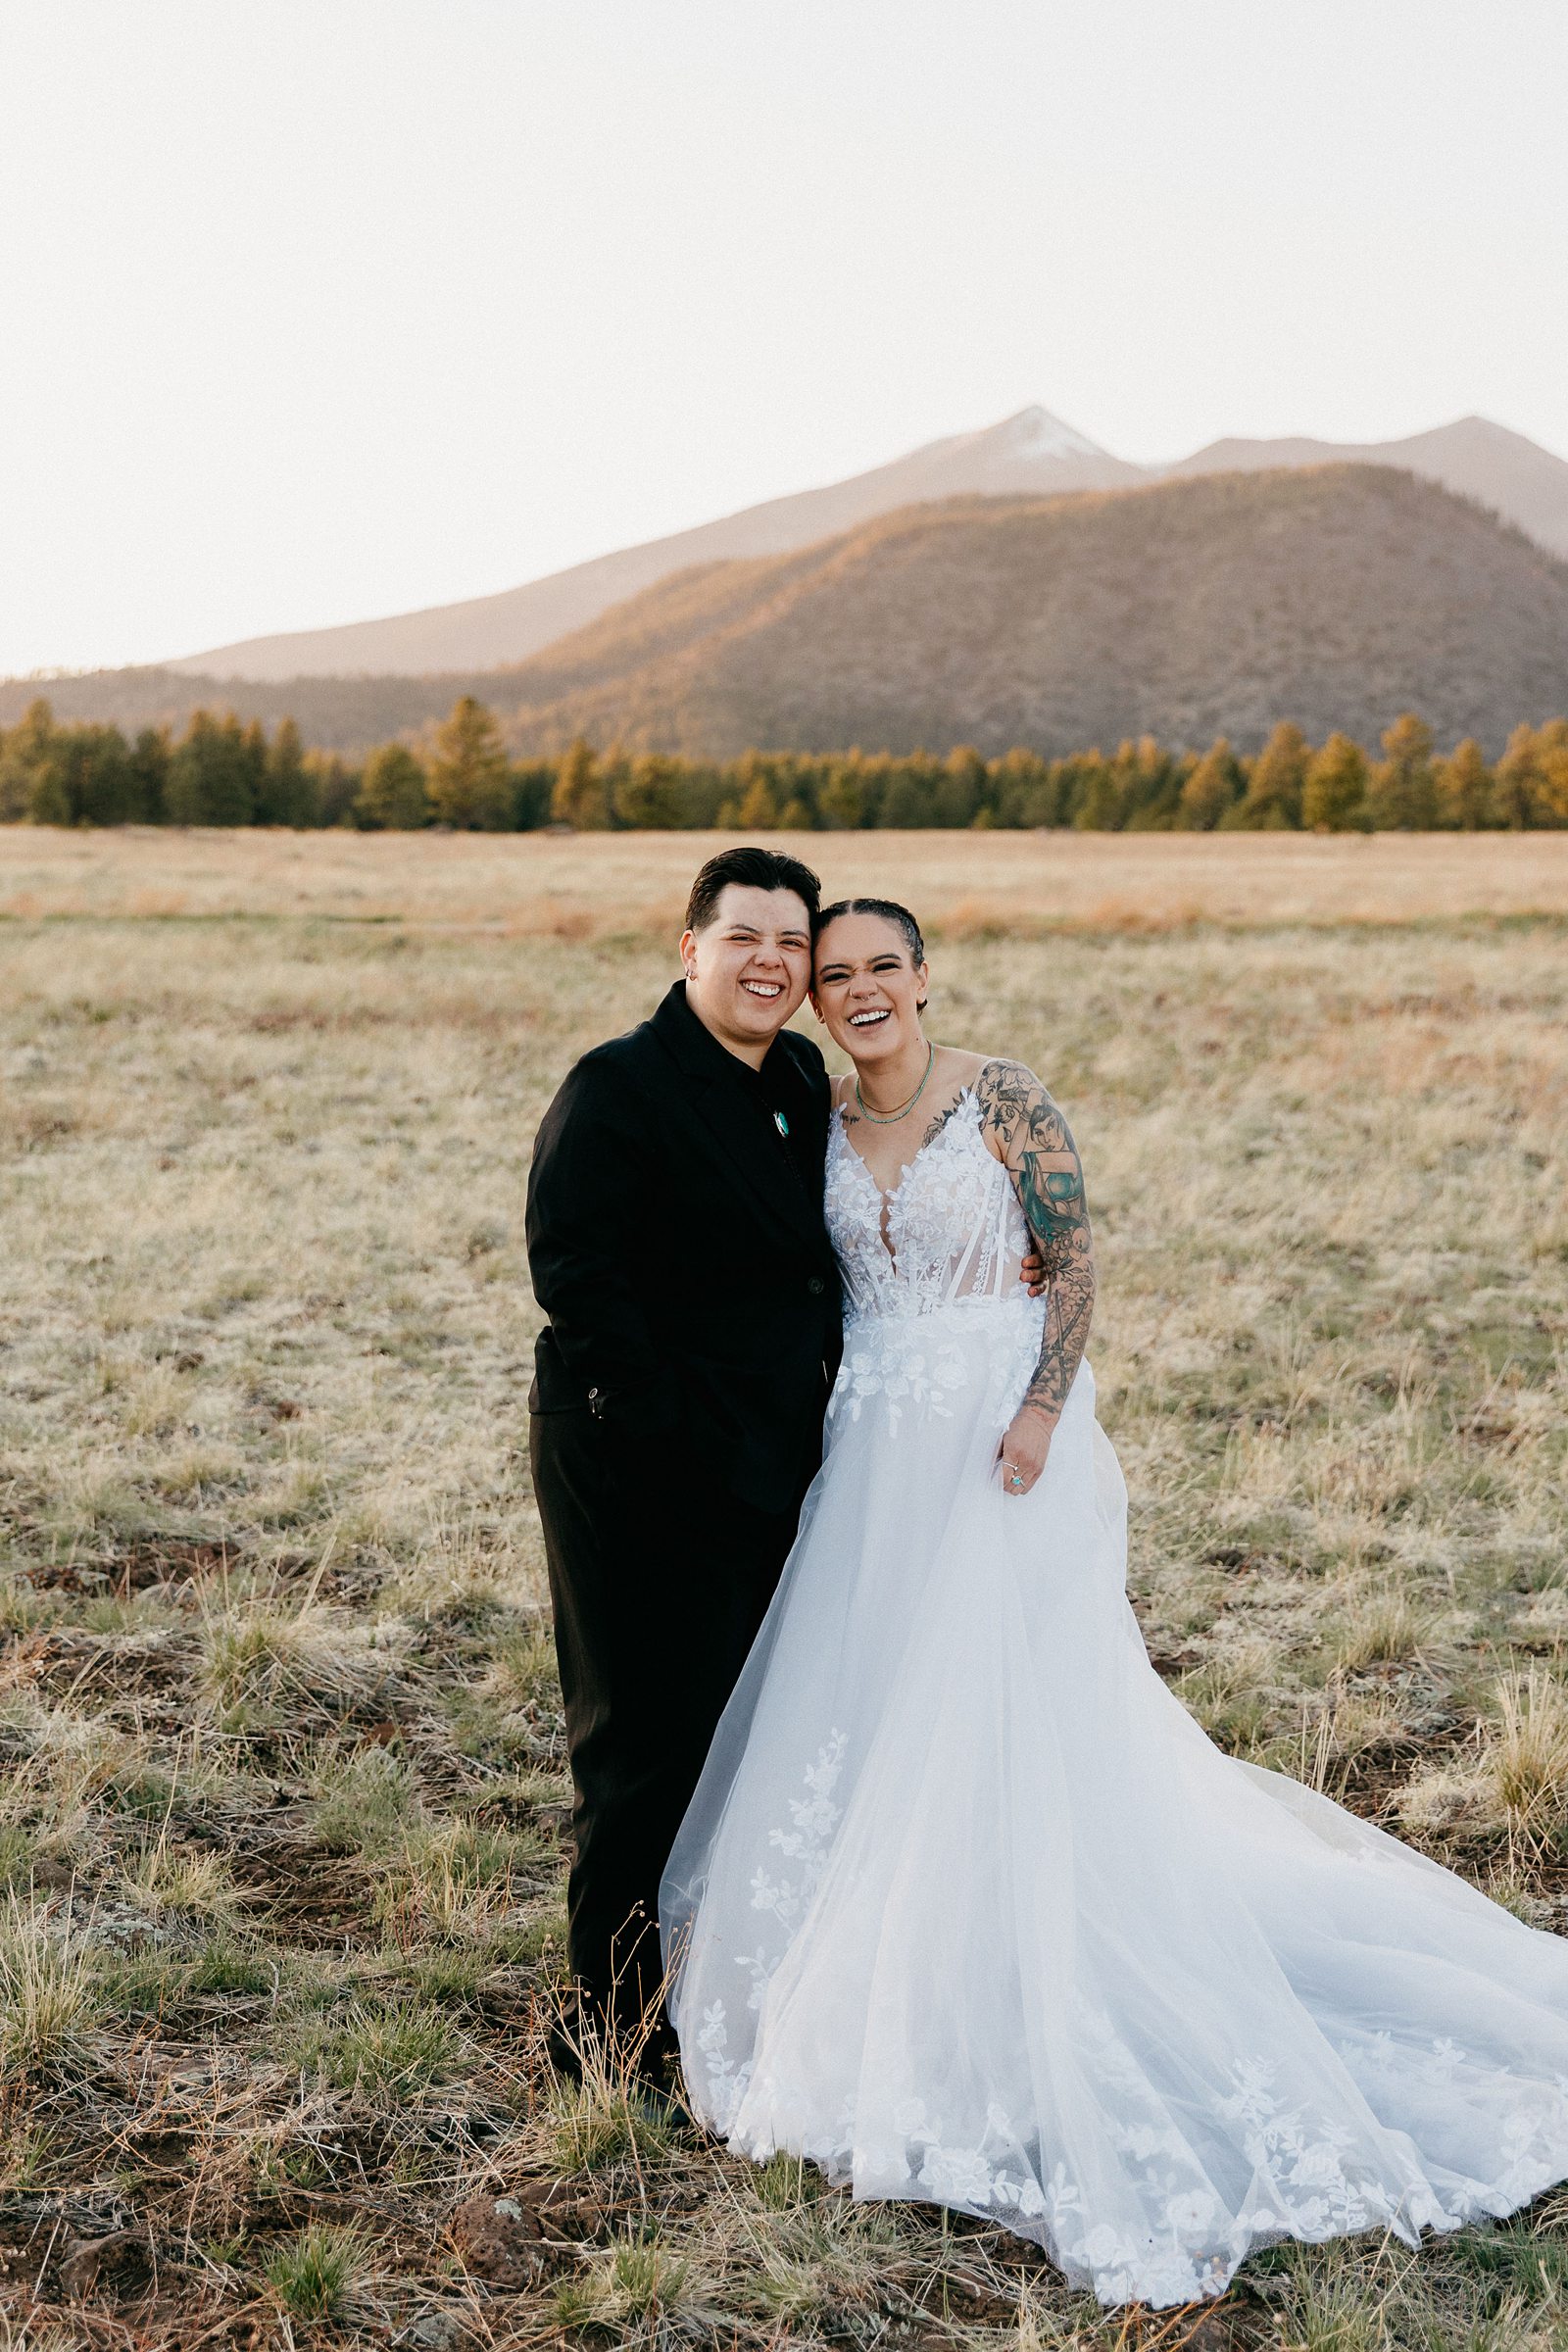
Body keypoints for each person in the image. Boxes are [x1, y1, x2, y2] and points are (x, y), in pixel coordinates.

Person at [661, 895, 1568, 2308]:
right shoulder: (819, 1118)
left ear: (922, 974)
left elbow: (1073, 1260)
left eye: (881, 966)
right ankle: (895, 1980)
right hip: (875, 1449)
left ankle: (1044, 1952)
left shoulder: (1003, 1097)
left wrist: (1036, 1407)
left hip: (998, 1440)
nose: (858, 990)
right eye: (835, 976)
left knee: (1009, 1703)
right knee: (880, 1699)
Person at [525, 846, 842, 2073]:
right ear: (689, 949)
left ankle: (711, 1991)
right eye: (744, 938)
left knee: (739, 1730)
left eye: (791, 943)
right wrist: (671, 1435)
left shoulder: (802, 1075)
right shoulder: (618, 1087)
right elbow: (577, 1280)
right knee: (639, 1745)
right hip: (636, 1460)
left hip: (775, 1452)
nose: (771, 962)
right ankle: (607, 2033)